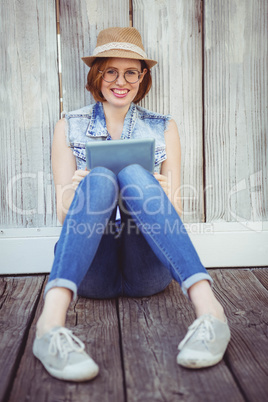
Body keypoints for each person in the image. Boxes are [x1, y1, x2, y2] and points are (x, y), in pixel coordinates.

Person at [33, 27, 231, 382]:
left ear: (142, 78)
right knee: (99, 179)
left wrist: (163, 189)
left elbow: (175, 217)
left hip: (147, 273)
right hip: (92, 270)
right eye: (110, 70)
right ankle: (49, 327)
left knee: (138, 175)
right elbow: (65, 217)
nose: (120, 81)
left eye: (131, 72)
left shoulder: (163, 127)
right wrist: (76, 189)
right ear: (97, 75)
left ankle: (211, 313)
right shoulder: (69, 126)